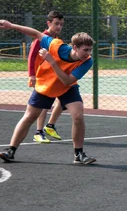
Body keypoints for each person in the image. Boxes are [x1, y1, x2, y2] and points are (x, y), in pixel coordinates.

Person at [0, 19, 96, 165]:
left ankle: (78, 154)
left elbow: (67, 81)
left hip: (67, 87)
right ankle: (10, 150)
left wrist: (52, 62)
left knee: (78, 115)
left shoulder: (87, 61)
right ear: (75, 47)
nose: (88, 53)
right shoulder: (56, 46)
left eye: (90, 50)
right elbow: (36, 34)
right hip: (47, 84)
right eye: (85, 50)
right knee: (30, 117)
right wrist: (11, 25)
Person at [28, 11, 65, 143]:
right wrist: (31, 75)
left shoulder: (57, 40)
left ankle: (50, 126)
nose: (59, 27)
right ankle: (38, 132)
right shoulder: (42, 37)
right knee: (43, 104)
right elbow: (32, 56)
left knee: (64, 97)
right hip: (41, 76)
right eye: (56, 24)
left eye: (61, 24)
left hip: (53, 75)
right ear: (48, 23)